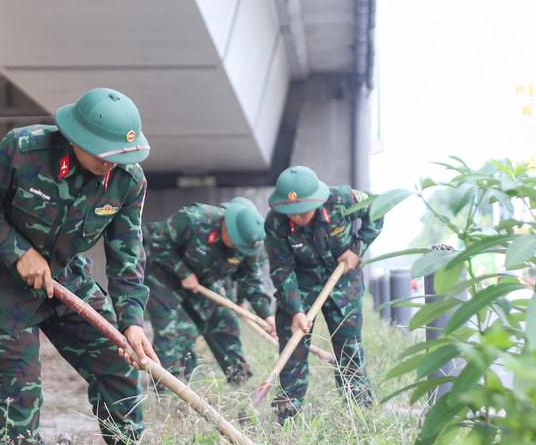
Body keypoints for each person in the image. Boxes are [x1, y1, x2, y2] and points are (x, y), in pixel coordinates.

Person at [0, 87, 159, 445]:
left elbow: (126, 257)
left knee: (116, 363)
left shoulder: (127, 180)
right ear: (77, 140)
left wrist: (132, 322)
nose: (111, 165)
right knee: (19, 389)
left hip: (67, 279)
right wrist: (18, 252)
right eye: (104, 155)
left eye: (121, 157)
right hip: (3, 288)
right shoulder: (24, 150)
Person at [263, 165, 384, 423]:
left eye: (301, 212)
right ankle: (287, 416)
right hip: (301, 282)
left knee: (348, 345)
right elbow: (282, 271)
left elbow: (378, 208)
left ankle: (358, 410)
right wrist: (295, 310)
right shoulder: (275, 223)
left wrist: (357, 247)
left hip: (342, 278)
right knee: (292, 346)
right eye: (290, 213)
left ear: (317, 201)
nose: (295, 218)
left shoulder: (342, 200)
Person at [143, 197, 275, 385]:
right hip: (163, 276)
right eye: (238, 246)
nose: (240, 251)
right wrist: (183, 272)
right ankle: (169, 390)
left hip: (203, 281)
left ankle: (240, 381)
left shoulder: (248, 245)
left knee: (226, 321)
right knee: (177, 332)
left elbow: (251, 281)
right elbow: (158, 243)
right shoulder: (194, 219)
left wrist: (267, 316)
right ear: (228, 229)